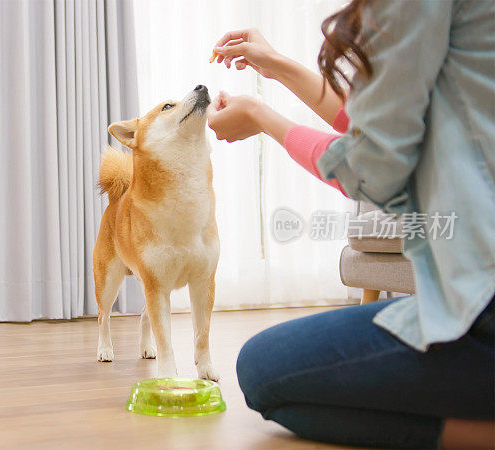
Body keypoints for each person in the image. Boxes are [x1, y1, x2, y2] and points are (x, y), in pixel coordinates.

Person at [205, 1, 495, 448]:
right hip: (476, 298)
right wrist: (277, 65)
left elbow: (367, 168)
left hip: (482, 309)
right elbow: (374, 128)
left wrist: (263, 118)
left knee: (262, 372)